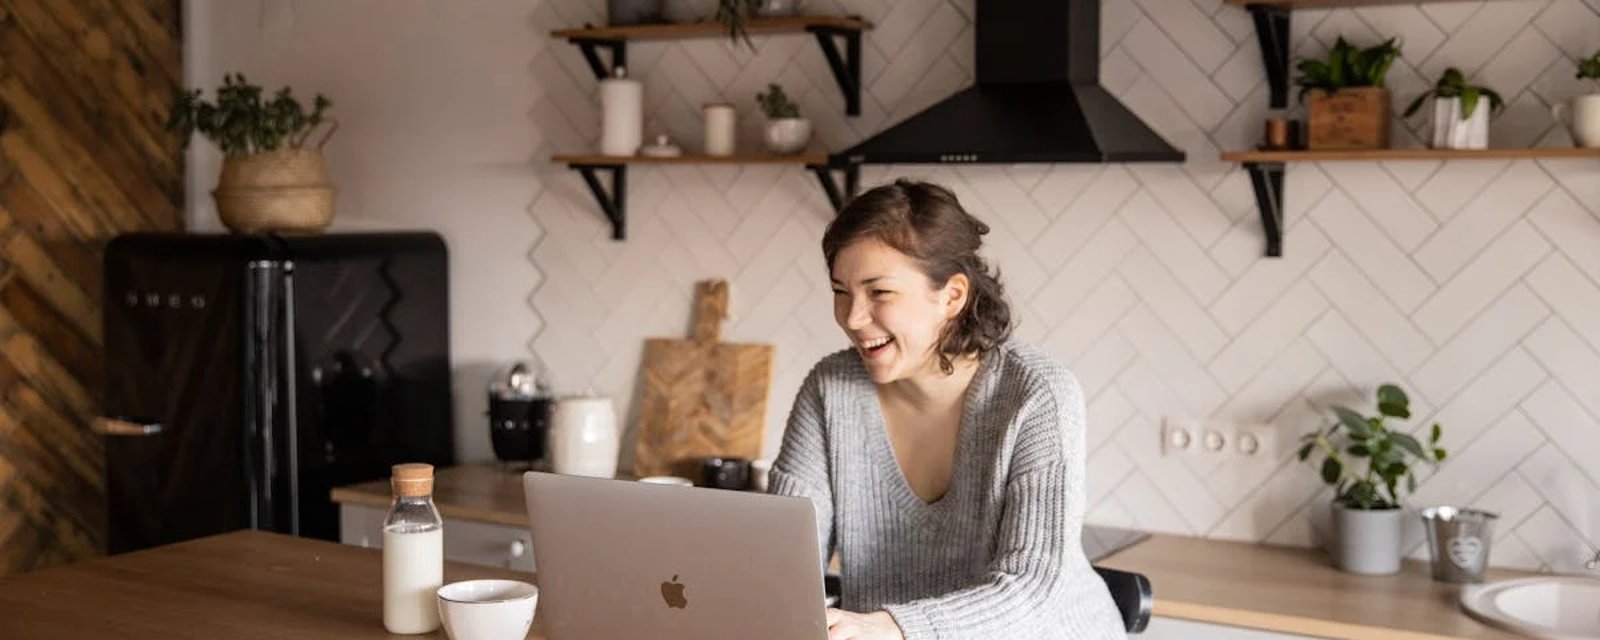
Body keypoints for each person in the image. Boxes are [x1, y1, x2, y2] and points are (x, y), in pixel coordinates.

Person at [769, 179, 1125, 640]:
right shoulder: (830, 390)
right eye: (841, 291)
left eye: (879, 293)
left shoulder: (1036, 395)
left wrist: (895, 628)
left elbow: (1032, 590)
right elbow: (783, 564)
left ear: (952, 296)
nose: (852, 318)